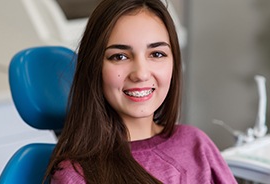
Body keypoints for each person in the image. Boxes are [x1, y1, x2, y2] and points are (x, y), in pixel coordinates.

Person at [45, 0, 237, 183]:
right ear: (94, 67)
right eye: (120, 56)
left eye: (157, 54)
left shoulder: (196, 143)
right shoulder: (77, 175)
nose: (141, 74)